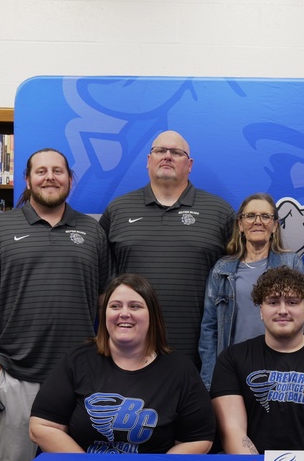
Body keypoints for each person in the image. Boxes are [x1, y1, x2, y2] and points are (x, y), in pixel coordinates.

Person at [0, 148, 111, 461]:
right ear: (28, 180)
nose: (50, 177)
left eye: (58, 171)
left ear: (70, 179)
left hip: (80, 375)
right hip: (17, 372)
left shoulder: (92, 231)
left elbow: (106, 300)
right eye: (41, 171)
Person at [30, 274, 214, 454]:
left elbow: (197, 440)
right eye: (115, 306)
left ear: (152, 315)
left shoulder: (180, 370)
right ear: (104, 314)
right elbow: (42, 426)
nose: (124, 313)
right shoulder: (77, 360)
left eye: (135, 306)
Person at [100, 131, 234, 368]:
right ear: (148, 160)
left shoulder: (219, 212)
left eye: (176, 152)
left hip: (198, 355)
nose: (167, 156)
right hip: (129, 353)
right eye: (160, 151)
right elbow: (101, 283)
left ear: (189, 165)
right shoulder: (118, 210)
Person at [210, 266, 304, 453]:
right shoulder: (232, 359)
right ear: (261, 310)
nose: (282, 310)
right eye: (273, 302)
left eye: (292, 302)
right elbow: (232, 429)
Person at [199, 193, 304, 389]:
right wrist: (210, 381)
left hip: (280, 366)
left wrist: (300, 367)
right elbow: (209, 329)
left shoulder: (291, 263)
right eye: (250, 216)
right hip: (233, 368)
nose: (258, 222)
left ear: (275, 225)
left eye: (265, 216)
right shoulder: (222, 269)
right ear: (240, 224)